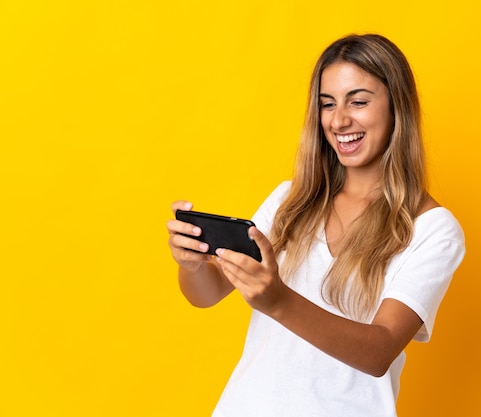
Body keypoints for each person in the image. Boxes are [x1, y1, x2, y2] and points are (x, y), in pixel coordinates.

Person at [166, 33, 465, 417]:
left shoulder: (433, 230)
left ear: (397, 108)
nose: (339, 120)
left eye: (358, 101)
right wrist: (190, 264)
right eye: (327, 104)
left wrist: (278, 301)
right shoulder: (290, 200)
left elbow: (380, 350)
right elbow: (205, 295)